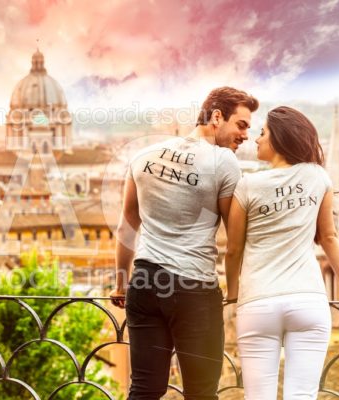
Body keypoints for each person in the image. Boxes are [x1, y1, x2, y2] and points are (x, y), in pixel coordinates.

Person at [110, 86, 259, 399]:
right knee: (202, 393)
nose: (245, 135)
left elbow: (127, 226)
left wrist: (121, 283)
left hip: (144, 283)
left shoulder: (143, 156)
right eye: (242, 125)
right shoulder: (223, 162)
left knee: (144, 389)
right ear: (217, 116)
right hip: (193, 289)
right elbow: (236, 239)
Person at [224, 106, 339, 400]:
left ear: (278, 138)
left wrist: (234, 293)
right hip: (307, 301)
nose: (256, 140)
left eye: (262, 134)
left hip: (258, 304)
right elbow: (329, 238)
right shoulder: (318, 176)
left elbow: (233, 250)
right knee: (302, 396)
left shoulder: (248, 184)